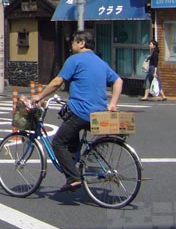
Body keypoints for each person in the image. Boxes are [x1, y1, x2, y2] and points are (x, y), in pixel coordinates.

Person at [31, 29, 122, 192]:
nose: (71, 45)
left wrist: (39, 96)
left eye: (73, 41)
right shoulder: (101, 62)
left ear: (81, 43)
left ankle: (73, 178)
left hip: (80, 111)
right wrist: (113, 104)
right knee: (71, 141)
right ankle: (73, 169)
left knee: (58, 143)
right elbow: (118, 81)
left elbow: (57, 81)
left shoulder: (75, 60)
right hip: (98, 114)